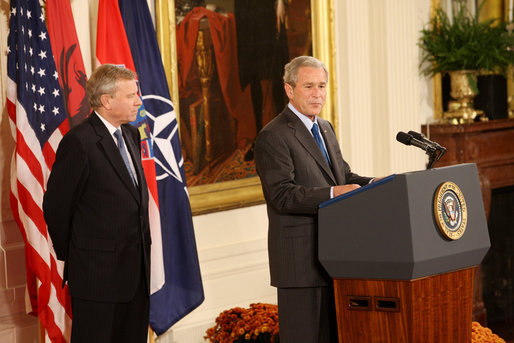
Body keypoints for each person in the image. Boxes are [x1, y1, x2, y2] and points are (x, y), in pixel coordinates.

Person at [254, 56, 375, 343]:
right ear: (289, 90)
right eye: (309, 86)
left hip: (335, 257)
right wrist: (334, 194)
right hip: (300, 263)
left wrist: (372, 183)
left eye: (321, 86)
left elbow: (341, 174)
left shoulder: (325, 127)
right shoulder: (273, 135)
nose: (317, 93)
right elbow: (283, 195)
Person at [43, 64, 151, 343]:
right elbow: (56, 207)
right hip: (97, 280)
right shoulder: (79, 142)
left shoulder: (130, 134)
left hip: (136, 276)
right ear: (106, 101)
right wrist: (82, 255)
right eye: (131, 95)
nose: (138, 101)